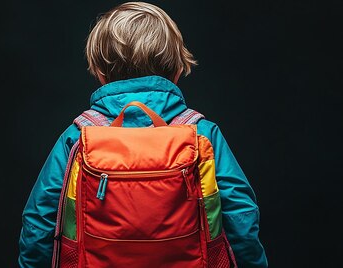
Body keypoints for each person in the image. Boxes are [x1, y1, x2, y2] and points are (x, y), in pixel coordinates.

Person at [18, 2, 268, 267]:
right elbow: (241, 218)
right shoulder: (202, 134)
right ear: (178, 70)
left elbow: (39, 222)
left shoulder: (78, 137)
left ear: (100, 73)